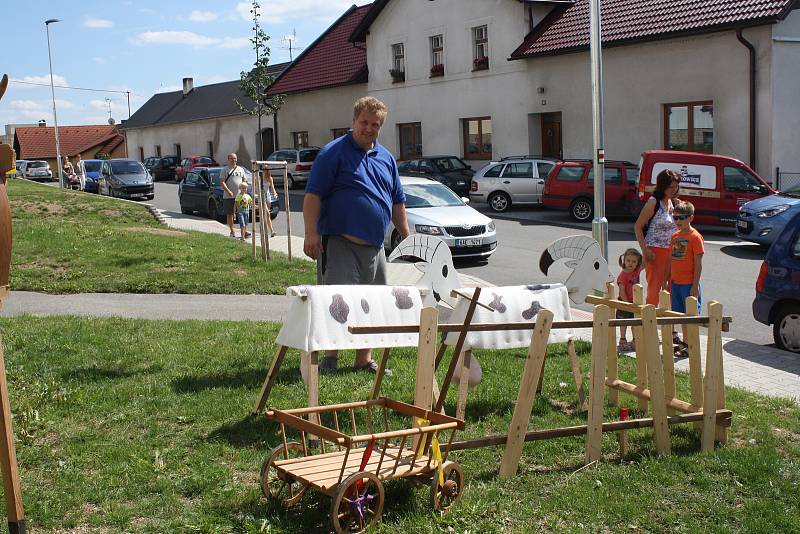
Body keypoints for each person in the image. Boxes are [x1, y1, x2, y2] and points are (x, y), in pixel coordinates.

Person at [303, 96, 410, 375]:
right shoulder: (333, 153)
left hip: (375, 248)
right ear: (353, 122)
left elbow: (397, 202)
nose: (369, 128)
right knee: (337, 301)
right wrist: (311, 233)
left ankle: (363, 359)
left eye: (375, 124)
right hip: (340, 242)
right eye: (364, 122)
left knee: (374, 304)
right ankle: (330, 356)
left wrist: (407, 237)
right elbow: (313, 195)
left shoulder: (386, 158)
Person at [634, 169, 680, 305]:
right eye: (671, 186)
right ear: (662, 186)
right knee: (655, 289)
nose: (674, 189)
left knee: (671, 290)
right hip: (656, 251)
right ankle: (649, 321)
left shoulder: (674, 203)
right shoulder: (653, 202)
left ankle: (667, 324)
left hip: (673, 252)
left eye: (676, 186)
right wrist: (645, 251)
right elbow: (638, 226)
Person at [666, 200, 704, 352]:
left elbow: (698, 264)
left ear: (691, 218)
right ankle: (686, 343)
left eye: (681, 218)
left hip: (689, 283)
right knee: (680, 315)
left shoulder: (695, 237)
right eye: (675, 218)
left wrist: (695, 286)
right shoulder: (675, 236)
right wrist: (667, 281)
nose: (678, 221)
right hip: (676, 283)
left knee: (690, 316)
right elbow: (671, 261)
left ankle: (692, 346)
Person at [616, 248, 643, 353]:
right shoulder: (623, 275)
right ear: (624, 261)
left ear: (637, 263)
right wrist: (627, 303)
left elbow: (645, 262)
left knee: (635, 323)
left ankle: (635, 340)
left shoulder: (636, 271)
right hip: (625, 303)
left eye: (634, 261)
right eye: (628, 261)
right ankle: (623, 340)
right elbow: (622, 291)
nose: (630, 263)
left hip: (634, 303)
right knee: (624, 322)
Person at [221, 153, 249, 238]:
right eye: (232, 158)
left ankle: (244, 231)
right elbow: (222, 182)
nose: (234, 160)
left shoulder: (240, 169)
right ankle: (232, 231)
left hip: (240, 196)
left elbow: (244, 181)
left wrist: (245, 191)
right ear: (228, 159)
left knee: (243, 213)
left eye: (235, 158)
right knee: (230, 214)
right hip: (228, 196)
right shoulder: (225, 170)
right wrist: (228, 191)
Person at [261, 168, 278, 238]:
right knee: (267, 213)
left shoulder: (269, 178)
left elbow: (272, 187)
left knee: (267, 215)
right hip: (261, 195)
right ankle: (265, 230)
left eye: (267, 169)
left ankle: (271, 231)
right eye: (264, 169)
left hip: (267, 195)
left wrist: (274, 193)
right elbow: (255, 186)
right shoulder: (259, 177)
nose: (265, 171)